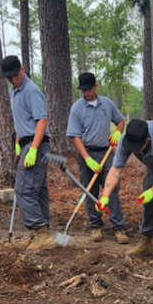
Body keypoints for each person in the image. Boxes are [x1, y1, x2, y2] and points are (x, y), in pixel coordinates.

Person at [96, 119, 153, 268]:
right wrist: (105, 196)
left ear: (147, 140)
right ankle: (146, 243)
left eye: (136, 149)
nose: (133, 151)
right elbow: (115, 170)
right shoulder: (128, 138)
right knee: (148, 203)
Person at [66, 72, 128, 244]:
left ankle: (118, 227)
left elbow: (120, 121)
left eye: (89, 89)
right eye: (83, 90)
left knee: (112, 188)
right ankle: (95, 226)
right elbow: (75, 136)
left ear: (96, 86)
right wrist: (87, 159)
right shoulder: (77, 108)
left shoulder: (107, 104)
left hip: (106, 153)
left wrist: (117, 132)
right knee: (90, 190)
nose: (86, 93)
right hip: (87, 154)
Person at [1, 55, 53, 253]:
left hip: (36, 144)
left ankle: (41, 233)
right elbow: (21, 121)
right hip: (26, 144)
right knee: (38, 189)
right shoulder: (14, 91)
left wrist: (32, 149)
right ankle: (44, 232)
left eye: (16, 75)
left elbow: (41, 121)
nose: (13, 80)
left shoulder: (31, 91)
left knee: (23, 190)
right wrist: (18, 145)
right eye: (9, 77)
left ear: (23, 69)